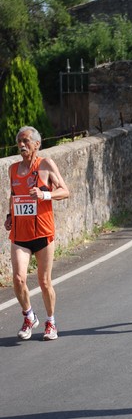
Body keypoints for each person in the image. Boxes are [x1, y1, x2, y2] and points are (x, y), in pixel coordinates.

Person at [3, 126, 70, 341]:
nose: (22, 145)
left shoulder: (46, 165)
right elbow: (14, 195)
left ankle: (51, 322)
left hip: (42, 231)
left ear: (37, 144)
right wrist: (9, 215)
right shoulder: (13, 169)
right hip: (20, 234)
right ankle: (29, 316)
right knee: (18, 279)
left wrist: (44, 194)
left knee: (44, 282)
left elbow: (65, 191)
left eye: (26, 141)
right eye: (19, 142)